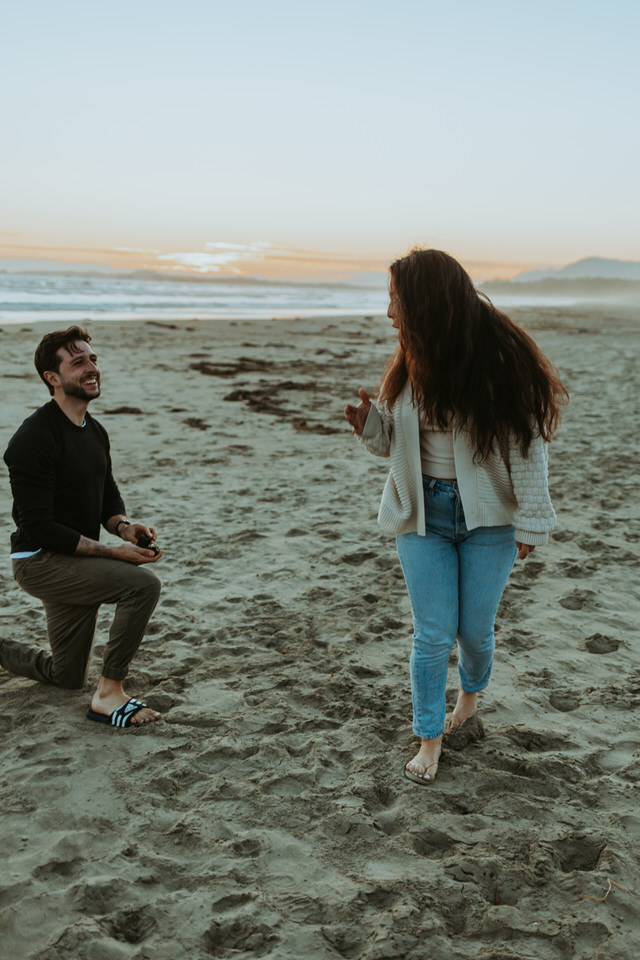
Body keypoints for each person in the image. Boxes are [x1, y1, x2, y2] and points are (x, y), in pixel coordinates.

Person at [345, 249, 567, 785]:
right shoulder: (409, 359)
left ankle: (468, 697)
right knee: (432, 633)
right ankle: (429, 737)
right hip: (422, 514)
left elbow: (529, 444)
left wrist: (532, 522)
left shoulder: (494, 363)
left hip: (489, 519)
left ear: (426, 303)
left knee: (474, 632)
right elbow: (397, 447)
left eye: (396, 299)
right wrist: (372, 427)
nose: (389, 311)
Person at [2, 326, 163, 728]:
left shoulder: (94, 430)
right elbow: (38, 529)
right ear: (52, 378)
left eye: (93, 359)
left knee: (66, 676)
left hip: (74, 557)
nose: (92, 368)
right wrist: (113, 553)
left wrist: (125, 528)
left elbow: (106, 493)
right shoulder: (32, 439)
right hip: (40, 560)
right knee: (141, 585)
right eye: (79, 362)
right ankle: (109, 696)